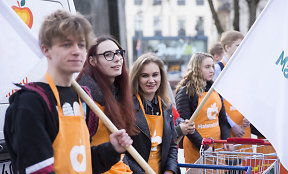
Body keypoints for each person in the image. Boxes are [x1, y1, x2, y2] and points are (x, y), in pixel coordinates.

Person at [4, 10, 132, 174]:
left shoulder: (82, 97)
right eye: (66, 44)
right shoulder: (30, 102)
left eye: (81, 44)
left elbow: (80, 162)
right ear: (46, 50)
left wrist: (112, 150)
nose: (76, 51)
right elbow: (39, 170)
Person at [76, 35, 138, 173]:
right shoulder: (84, 98)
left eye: (118, 53)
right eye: (107, 55)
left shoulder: (119, 92)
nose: (117, 59)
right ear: (92, 60)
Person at [175, 52, 232, 164]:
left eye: (212, 66)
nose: (212, 70)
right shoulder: (185, 92)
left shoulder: (215, 88)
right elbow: (187, 126)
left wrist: (226, 140)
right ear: (196, 68)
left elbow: (222, 120)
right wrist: (204, 147)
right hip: (196, 148)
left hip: (217, 146)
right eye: (207, 67)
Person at [126, 53, 178, 174]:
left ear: (161, 77)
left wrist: (170, 170)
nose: (151, 80)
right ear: (137, 78)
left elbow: (172, 145)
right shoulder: (126, 108)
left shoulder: (166, 107)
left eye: (155, 75)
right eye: (145, 76)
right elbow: (123, 151)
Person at [213, 30, 251, 139]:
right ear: (227, 48)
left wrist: (249, 116)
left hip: (244, 125)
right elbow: (216, 102)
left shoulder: (243, 68)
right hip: (228, 126)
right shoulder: (217, 69)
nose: (242, 48)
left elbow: (248, 95)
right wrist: (232, 125)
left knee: (247, 155)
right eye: (238, 45)